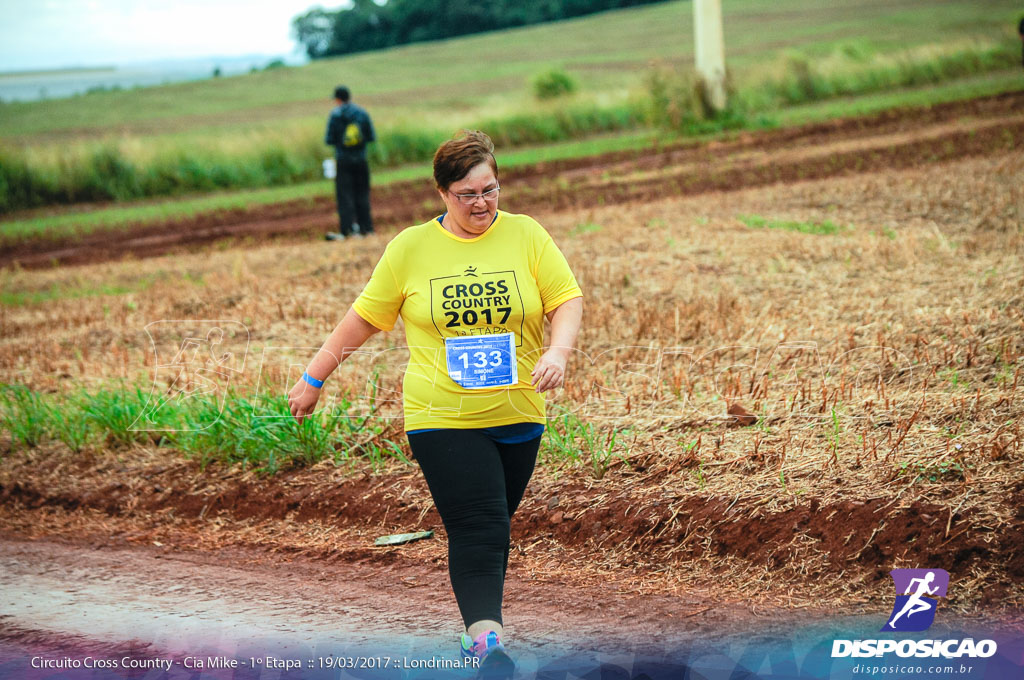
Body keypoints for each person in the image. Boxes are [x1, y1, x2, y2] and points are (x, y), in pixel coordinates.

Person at [288, 130, 584, 674]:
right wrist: (314, 376)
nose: (482, 204)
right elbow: (363, 320)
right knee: (479, 523)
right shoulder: (410, 248)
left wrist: (559, 353)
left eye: (490, 190)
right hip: (441, 413)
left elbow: (565, 299)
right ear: (442, 193)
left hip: (519, 412)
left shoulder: (526, 235)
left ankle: (480, 631)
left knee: (494, 522)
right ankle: (486, 642)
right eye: (468, 194)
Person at [325, 85, 376, 240]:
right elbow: (370, 136)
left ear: (338, 99)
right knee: (362, 193)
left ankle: (348, 229)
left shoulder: (335, 115)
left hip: (343, 160)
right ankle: (366, 228)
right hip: (361, 159)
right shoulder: (362, 113)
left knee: (344, 196)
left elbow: (329, 140)